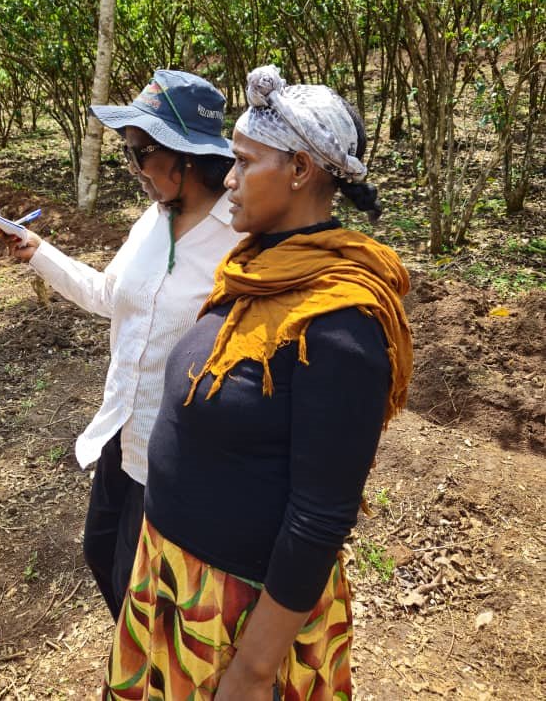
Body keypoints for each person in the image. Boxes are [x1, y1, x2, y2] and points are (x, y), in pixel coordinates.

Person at [103, 65, 413, 699]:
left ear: (299, 170)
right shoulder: (251, 270)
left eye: (242, 163)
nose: (229, 180)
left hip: (236, 615)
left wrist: (250, 671)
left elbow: (320, 518)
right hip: (171, 578)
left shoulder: (340, 323)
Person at [5, 70, 244, 621]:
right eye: (127, 151)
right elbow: (110, 294)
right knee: (101, 551)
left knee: (142, 586)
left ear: (187, 157)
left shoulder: (239, 238)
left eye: (140, 152)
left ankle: (150, 672)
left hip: (180, 450)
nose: (132, 168)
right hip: (123, 428)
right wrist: (38, 250)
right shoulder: (153, 220)